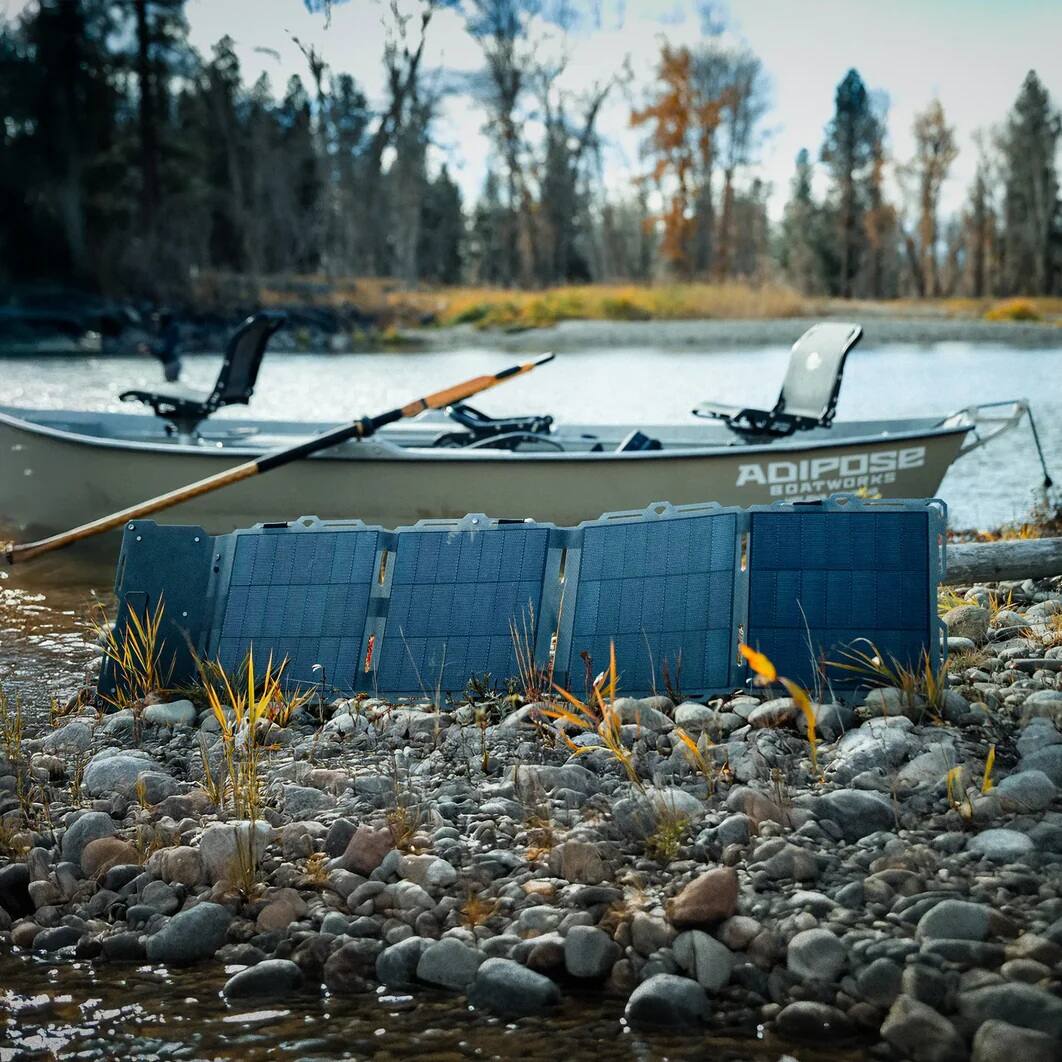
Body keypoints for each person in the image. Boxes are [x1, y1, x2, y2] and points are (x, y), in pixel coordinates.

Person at [155, 311, 181, 382]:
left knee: (171, 383)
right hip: (173, 364)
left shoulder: (168, 334)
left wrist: (150, 350)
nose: (157, 323)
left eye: (158, 321)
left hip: (171, 365)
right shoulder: (171, 332)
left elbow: (165, 352)